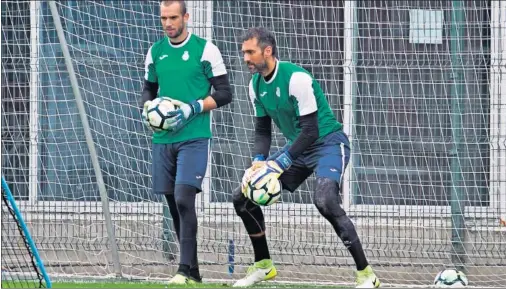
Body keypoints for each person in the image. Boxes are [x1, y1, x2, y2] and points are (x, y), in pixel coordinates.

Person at [232, 27, 380, 288]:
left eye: (250, 52)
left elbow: (310, 131)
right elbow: (262, 129)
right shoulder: (254, 85)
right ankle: (264, 265)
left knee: (325, 200)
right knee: (242, 199)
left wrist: (279, 163)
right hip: (298, 148)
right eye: (244, 52)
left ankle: (366, 275)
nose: (245, 57)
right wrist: (259, 160)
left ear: (267, 51)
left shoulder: (296, 79)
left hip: (328, 144)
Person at [140, 0, 232, 285]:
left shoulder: (206, 50)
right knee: (173, 203)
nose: (168, 23)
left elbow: (226, 92)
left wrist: (194, 107)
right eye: (164, 18)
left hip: (194, 137)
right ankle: (192, 272)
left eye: (173, 17)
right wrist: (148, 109)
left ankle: (182, 270)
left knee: (183, 198)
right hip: (163, 139)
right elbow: (148, 89)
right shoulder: (155, 52)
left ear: (186, 17)